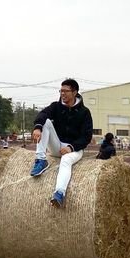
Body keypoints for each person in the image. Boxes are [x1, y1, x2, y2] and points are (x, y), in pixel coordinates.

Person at [29, 78, 94, 208]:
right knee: (45, 122)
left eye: (66, 91)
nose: (62, 94)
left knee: (65, 161)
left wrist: (71, 147)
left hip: (75, 149)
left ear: (74, 92)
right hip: (57, 145)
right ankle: (41, 160)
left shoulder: (84, 112)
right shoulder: (56, 107)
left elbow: (86, 137)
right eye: (61, 91)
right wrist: (38, 127)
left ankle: (59, 193)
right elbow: (43, 114)